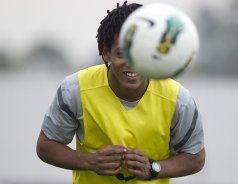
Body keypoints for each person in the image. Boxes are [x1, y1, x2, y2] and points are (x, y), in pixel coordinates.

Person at [36, 1, 205, 184]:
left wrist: (154, 168)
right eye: (122, 53)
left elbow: (195, 157)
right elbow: (46, 146)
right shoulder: (75, 89)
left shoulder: (179, 99)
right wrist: (90, 161)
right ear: (106, 52)